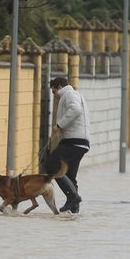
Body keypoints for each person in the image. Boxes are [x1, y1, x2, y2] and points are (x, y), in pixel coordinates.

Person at [46, 77, 90, 213]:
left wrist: (59, 125)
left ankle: (73, 197)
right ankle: (74, 212)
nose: (54, 96)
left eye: (54, 92)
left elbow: (75, 110)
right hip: (80, 143)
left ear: (59, 87)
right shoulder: (75, 95)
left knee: (51, 165)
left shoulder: (69, 94)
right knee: (70, 176)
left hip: (73, 141)